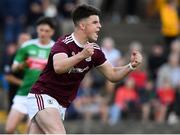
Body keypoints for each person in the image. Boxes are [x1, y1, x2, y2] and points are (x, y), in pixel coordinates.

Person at [27, 4, 143, 134]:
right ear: (82, 25)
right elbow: (58, 67)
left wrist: (131, 66)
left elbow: (112, 74)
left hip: (61, 104)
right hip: (43, 95)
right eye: (95, 22)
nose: (99, 26)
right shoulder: (64, 43)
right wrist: (82, 55)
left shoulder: (95, 50)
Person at [5, 17, 55, 134]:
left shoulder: (56, 48)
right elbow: (14, 67)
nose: (43, 33)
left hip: (41, 96)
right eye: (41, 30)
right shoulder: (27, 46)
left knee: (29, 130)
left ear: (52, 32)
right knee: (9, 129)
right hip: (23, 92)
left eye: (46, 31)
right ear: (37, 30)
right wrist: (22, 65)